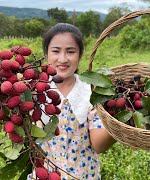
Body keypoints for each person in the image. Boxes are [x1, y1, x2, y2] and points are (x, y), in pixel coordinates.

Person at [36, 23, 116, 179]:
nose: (63, 59)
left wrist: (120, 124)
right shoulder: (35, 91)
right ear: (46, 54)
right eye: (56, 51)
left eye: (70, 51)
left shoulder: (91, 92)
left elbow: (98, 144)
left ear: (80, 55)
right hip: (44, 174)